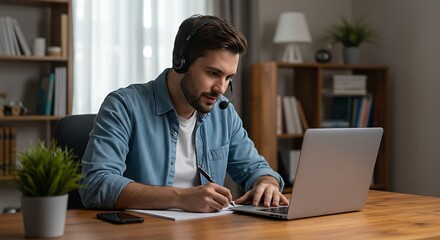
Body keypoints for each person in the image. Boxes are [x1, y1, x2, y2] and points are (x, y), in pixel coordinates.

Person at [79, 14, 289, 213]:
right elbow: (96, 184)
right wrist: (180, 197)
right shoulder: (124, 106)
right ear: (180, 62)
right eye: (213, 73)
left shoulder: (223, 113)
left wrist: (267, 183)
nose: (221, 88)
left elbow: (256, 168)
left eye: (228, 78)